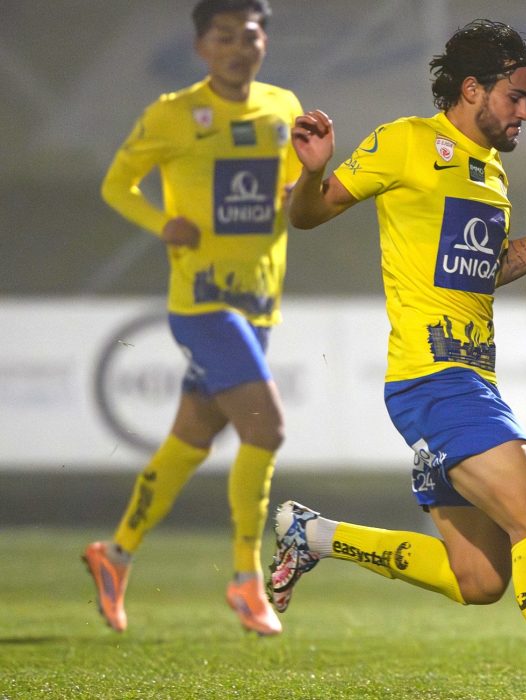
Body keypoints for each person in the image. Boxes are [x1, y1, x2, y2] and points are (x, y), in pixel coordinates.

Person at [269, 20, 526, 700]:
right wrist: (310, 174)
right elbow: (308, 215)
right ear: (473, 89)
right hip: (435, 380)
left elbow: (488, 268)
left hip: (463, 380)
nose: (525, 110)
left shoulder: (490, 171)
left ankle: (313, 535)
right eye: (516, 96)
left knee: (482, 580)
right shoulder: (405, 143)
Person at [84, 0, 300, 637]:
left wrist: (308, 181)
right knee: (266, 429)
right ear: (202, 47)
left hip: (260, 303)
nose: (239, 47)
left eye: (250, 35)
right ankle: (244, 576)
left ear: (264, 41)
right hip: (201, 303)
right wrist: (163, 224)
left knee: (190, 443)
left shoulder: (283, 108)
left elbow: (291, 195)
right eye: (224, 37)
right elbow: (116, 185)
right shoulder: (172, 114)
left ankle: (115, 553)